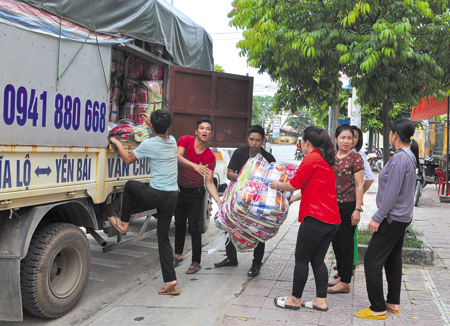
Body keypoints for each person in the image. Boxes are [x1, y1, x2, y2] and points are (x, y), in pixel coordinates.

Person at [108, 110, 180, 295]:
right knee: (163, 238)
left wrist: (117, 143)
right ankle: (170, 280)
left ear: (153, 127)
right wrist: (152, 125)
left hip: (156, 194)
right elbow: (160, 133)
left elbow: (128, 159)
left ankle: (124, 223)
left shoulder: (148, 144)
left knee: (130, 185)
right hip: (172, 196)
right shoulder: (172, 141)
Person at [271, 126, 340, 311]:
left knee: (301, 259)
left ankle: (294, 299)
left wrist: (275, 184)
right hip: (332, 221)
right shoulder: (325, 160)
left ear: (306, 143)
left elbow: (294, 184)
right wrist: (294, 198)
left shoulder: (312, 158)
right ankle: (320, 300)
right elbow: (314, 186)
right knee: (317, 260)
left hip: (316, 218)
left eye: (301, 141)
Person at [355, 119, 418, 320]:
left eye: (390, 134)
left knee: (372, 260)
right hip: (402, 217)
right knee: (392, 260)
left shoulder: (400, 159)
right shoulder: (409, 155)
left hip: (393, 218)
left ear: (394, 135)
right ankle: (392, 302)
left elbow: (391, 194)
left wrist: (377, 217)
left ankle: (377, 307)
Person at [214, 125, 275, 277]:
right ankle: (231, 258)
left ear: (263, 141)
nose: (254, 143)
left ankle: (256, 264)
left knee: (258, 229)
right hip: (237, 195)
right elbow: (229, 174)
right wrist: (244, 179)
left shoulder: (269, 158)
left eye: (258, 140)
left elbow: (273, 180)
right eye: (251, 139)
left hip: (258, 199)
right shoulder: (239, 153)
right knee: (229, 223)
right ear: (247, 139)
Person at [173, 118, 222, 274]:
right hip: (180, 189)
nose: (204, 131)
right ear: (196, 131)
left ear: (210, 134)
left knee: (194, 228)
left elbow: (209, 182)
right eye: (202, 128)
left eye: (208, 129)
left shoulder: (210, 157)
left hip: (196, 192)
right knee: (179, 224)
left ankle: (196, 262)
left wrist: (218, 200)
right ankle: (178, 255)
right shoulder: (185, 140)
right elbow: (177, 157)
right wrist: (195, 166)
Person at [328, 124, 364, 294]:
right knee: (336, 242)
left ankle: (345, 282)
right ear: (336, 139)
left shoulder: (355, 158)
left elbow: (359, 185)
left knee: (346, 244)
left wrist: (357, 209)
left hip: (348, 205)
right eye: (343, 137)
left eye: (350, 138)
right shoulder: (332, 157)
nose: (346, 141)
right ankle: (341, 275)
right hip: (332, 206)